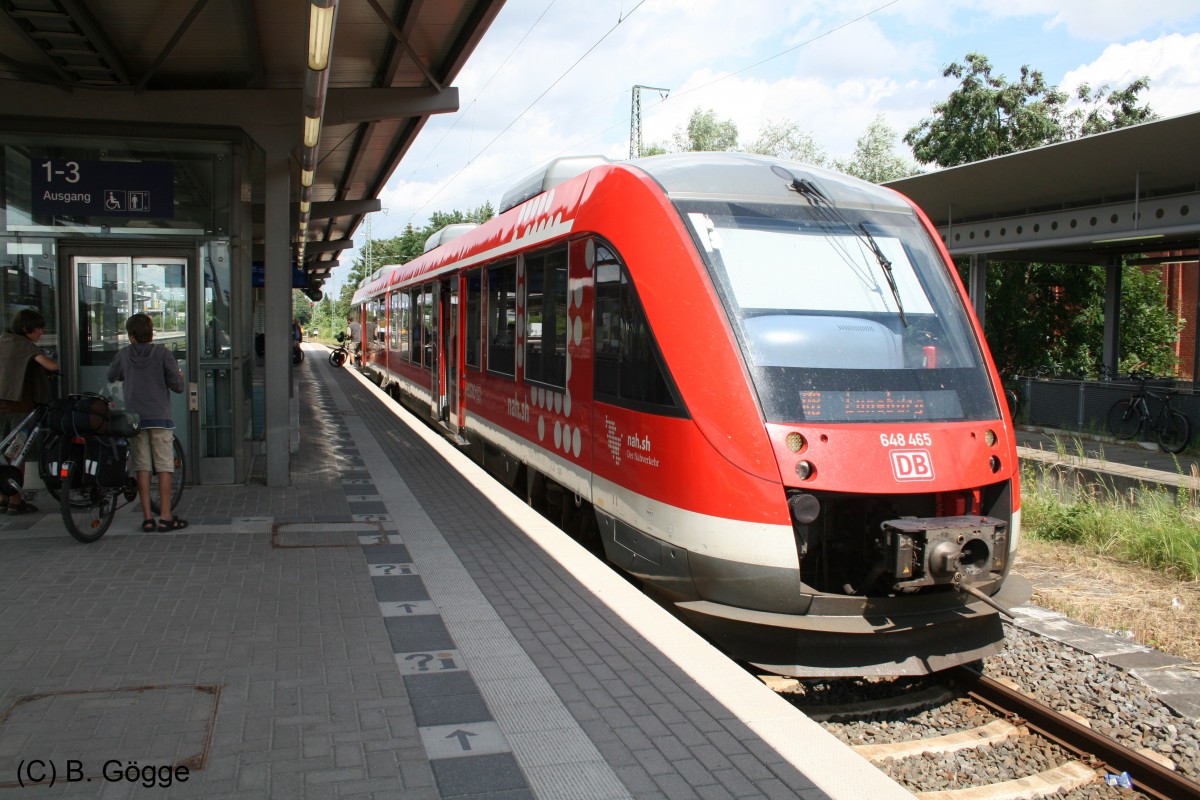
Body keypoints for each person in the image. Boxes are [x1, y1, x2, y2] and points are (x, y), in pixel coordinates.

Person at [107, 313, 187, 531]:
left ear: (131, 334)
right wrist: (178, 377)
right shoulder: (162, 354)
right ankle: (165, 517)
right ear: (151, 333)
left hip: (134, 420)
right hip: (160, 417)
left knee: (142, 467)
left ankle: (147, 518)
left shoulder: (124, 354)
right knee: (164, 467)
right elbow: (178, 387)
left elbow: (111, 376)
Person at [0, 309, 59, 514]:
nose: (41, 332)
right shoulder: (25, 346)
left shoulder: (3, 340)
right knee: (16, 455)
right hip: (18, 408)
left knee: (2, 454)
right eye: (38, 328)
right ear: (26, 329)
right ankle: (15, 501)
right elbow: (51, 365)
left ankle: (2, 498)